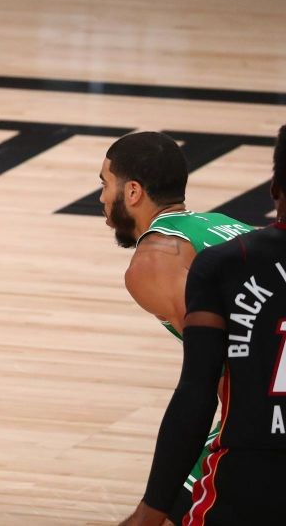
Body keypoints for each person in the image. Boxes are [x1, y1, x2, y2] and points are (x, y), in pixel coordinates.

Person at [119, 126, 286, 525]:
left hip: (258, 426)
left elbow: (212, 373)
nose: (100, 197)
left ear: (132, 192)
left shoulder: (155, 259)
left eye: (105, 183)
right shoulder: (220, 222)